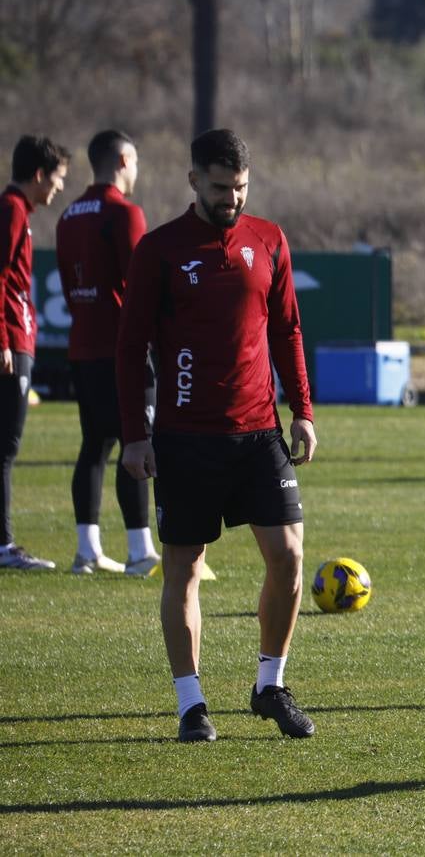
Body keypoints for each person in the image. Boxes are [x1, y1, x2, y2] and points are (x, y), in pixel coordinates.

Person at [117, 129, 317, 743]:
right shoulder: (159, 250)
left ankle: (270, 685)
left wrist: (302, 409)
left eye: (240, 188)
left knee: (288, 556)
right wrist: (135, 435)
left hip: (259, 432)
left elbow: (286, 331)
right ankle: (190, 703)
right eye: (220, 187)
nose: (231, 198)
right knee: (184, 564)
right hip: (184, 438)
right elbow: (129, 350)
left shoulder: (269, 240)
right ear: (193, 182)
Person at [55, 130, 161, 576]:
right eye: (134, 161)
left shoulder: (67, 216)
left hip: (83, 344)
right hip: (123, 349)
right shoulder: (124, 212)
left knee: (94, 445)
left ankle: (87, 550)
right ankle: (140, 552)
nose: (136, 171)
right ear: (122, 160)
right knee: (138, 442)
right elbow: (141, 287)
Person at [0, 135, 70, 571]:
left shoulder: (18, 210)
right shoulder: (11, 209)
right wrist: (4, 340)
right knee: (6, 446)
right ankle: (4, 546)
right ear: (40, 174)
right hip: (10, 340)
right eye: (59, 178)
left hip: (17, 336)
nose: (60, 188)